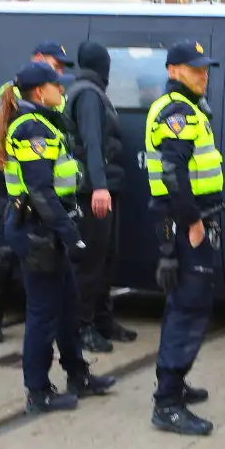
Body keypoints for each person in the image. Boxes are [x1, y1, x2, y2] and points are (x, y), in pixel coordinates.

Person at [0, 61, 117, 413]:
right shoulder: (32, 129)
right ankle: (38, 391)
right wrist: (71, 234)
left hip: (45, 231)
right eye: (56, 86)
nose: (62, 90)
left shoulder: (43, 123)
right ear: (38, 92)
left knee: (67, 306)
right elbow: (40, 192)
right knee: (43, 314)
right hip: (37, 233)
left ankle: (77, 374)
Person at [145, 41, 225, 436]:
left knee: (182, 305)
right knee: (189, 308)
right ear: (174, 71)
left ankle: (172, 383)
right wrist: (192, 221)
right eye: (195, 70)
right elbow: (173, 173)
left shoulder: (186, 107)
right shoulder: (177, 111)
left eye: (206, 69)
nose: (203, 75)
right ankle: (168, 403)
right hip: (186, 223)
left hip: (190, 219)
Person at [0, 41, 75, 344]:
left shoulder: (52, 94)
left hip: (38, 175)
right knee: (4, 249)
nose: (58, 72)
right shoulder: (12, 93)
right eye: (54, 65)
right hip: (14, 180)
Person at [65, 41, 135, 353]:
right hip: (93, 192)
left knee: (107, 257)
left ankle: (103, 319)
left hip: (103, 188)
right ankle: (82, 326)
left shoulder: (88, 92)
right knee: (91, 261)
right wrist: (100, 186)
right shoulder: (89, 95)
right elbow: (92, 143)